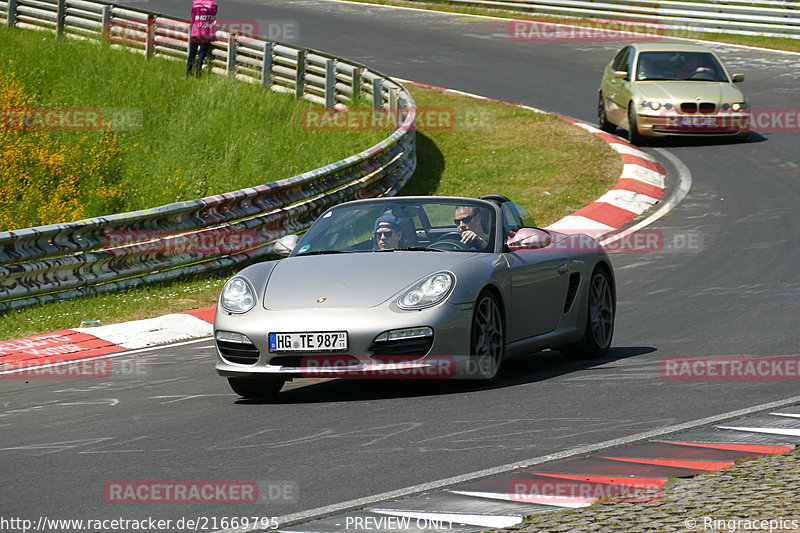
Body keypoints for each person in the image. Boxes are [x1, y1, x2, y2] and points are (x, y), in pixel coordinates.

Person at [187, 0, 218, 78]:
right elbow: (214, 15)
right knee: (202, 53)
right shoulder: (213, 4)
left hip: (195, 30)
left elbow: (192, 15)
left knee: (192, 53)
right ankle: (198, 73)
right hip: (206, 31)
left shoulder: (195, 3)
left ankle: (188, 73)